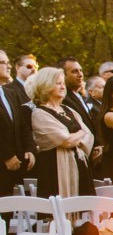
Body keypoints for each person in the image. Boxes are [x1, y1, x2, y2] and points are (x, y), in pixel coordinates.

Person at [30, 67, 95, 198]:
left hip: (80, 164)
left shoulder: (68, 109)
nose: (62, 87)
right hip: (54, 169)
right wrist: (80, 133)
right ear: (46, 85)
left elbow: (89, 135)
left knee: (84, 211)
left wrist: (77, 136)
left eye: (63, 83)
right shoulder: (40, 113)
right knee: (59, 212)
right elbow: (66, 140)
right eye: (58, 83)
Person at [0, 50, 36, 196]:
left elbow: (22, 126)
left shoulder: (9, 92)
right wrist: (7, 155)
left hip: (15, 168)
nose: (8, 66)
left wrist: (30, 148)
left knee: (9, 214)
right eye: (3, 63)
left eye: (8, 63)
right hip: (4, 161)